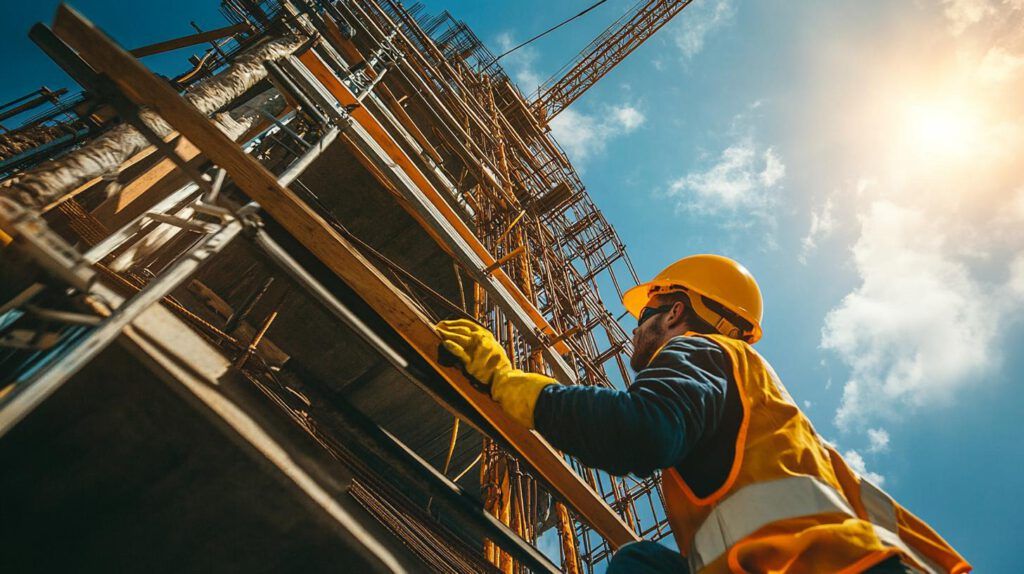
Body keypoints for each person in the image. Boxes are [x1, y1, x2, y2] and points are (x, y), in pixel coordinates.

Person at [436, 254, 970, 573]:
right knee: (640, 564)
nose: (634, 331)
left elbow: (640, 432)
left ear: (674, 311)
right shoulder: (781, 428)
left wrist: (505, 383)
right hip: (868, 566)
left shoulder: (702, 352)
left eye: (644, 315)